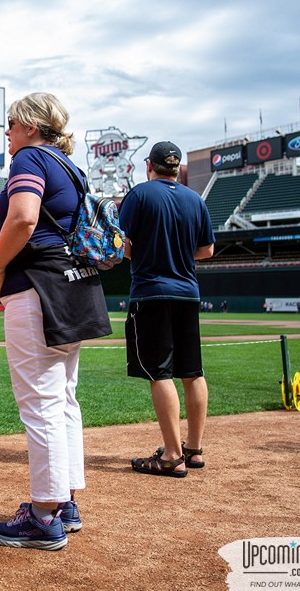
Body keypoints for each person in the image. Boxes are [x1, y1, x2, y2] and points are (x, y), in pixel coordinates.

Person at [0, 92, 111, 550]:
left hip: (38, 286)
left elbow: (21, 218)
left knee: (40, 401)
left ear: (33, 126)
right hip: (73, 285)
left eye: (13, 123)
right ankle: (65, 501)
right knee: (62, 399)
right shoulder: (68, 164)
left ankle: (43, 515)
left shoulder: (30, 158)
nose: (7, 132)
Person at [119, 140, 214, 479]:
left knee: (159, 372)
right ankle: (194, 448)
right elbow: (207, 250)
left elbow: (121, 243)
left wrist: (144, 254)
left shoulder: (140, 195)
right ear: (176, 167)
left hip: (151, 293)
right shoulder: (194, 199)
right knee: (193, 372)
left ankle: (172, 455)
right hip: (188, 293)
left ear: (151, 165)